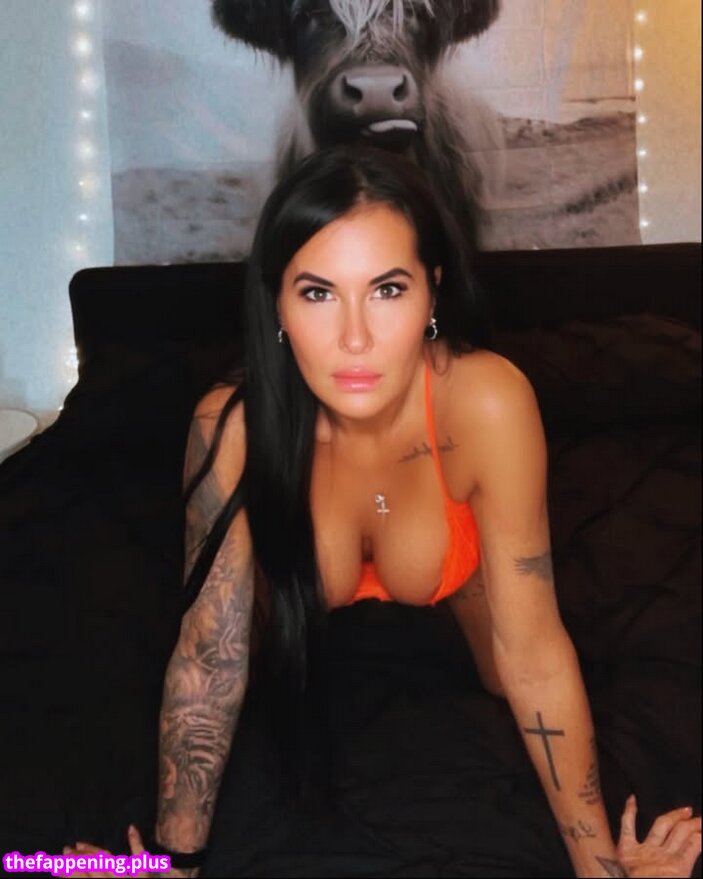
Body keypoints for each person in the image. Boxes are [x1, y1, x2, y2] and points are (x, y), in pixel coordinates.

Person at [65, 145, 701, 878]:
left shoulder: (487, 403)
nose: (356, 338)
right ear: (276, 304)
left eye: (387, 289)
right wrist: (174, 866)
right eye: (318, 293)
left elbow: (531, 652)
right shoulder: (232, 426)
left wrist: (601, 870)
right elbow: (210, 658)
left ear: (432, 293)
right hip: (284, 659)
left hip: (469, 649)